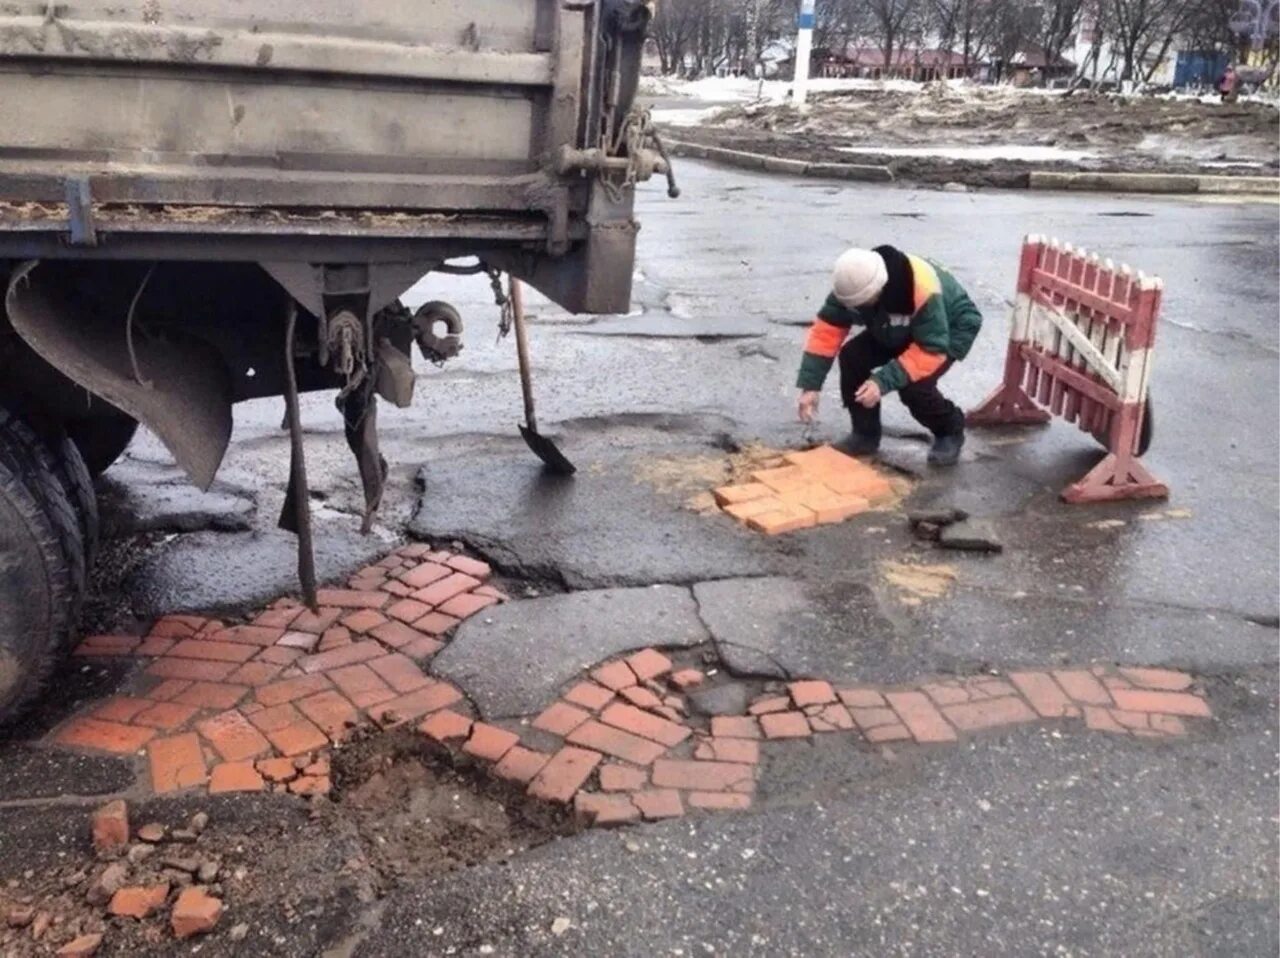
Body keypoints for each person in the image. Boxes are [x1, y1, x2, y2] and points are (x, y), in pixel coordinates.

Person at [796, 245, 982, 466]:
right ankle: (865, 435)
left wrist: (881, 382)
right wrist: (810, 387)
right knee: (852, 356)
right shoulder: (852, 284)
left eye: (861, 305)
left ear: (877, 290)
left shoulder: (921, 289)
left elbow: (931, 349)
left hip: (948, 329)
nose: (855, 308)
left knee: (915, 386)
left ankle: (949, 430)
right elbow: (827, 332)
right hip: (897, 325)